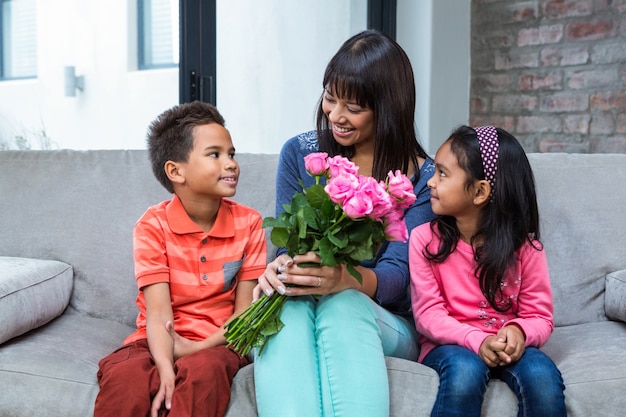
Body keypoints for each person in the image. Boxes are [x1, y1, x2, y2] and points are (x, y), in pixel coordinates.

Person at [254, 30, 435, 417]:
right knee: (283, 308)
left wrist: (343, 280)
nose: (336, 115)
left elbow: (401, 277)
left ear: (388, 108)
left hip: (386, 319)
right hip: (308, 300)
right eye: (330, 97)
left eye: (353, 107)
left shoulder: (421, 179)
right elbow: (290, 245)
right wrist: (282, 267)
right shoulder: (300, 153)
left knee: (343, 306)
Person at [93, 101, 267, 417]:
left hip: (219, 343)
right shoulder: (152, 225)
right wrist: (166, 367)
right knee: (125, 377)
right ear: (176, 171)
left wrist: (197, 348)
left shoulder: (250, 223)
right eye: (215, 154)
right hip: (155, 338)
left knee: (205, 374)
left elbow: (245, 316)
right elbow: (158, 315)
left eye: (231, 154)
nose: (230, 163)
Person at [408, 125, 567, 417]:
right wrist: (477, 340)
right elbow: (428, 315)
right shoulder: (424, 240)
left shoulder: (527, 248)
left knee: (542, 377)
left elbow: (540, 317)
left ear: (480, 191)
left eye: (442, 174)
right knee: (465, 371)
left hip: (507, 346)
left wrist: (518, 332)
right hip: (451, 346)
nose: (430, 182)